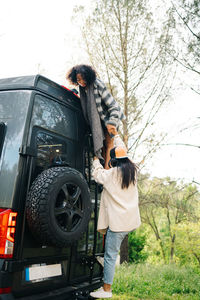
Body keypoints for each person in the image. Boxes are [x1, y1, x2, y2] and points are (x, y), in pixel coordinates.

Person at [90, 130, 141, 299]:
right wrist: (116, 135)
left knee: (111, 256)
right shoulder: (133, 171)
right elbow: (122, 149)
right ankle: (105, 260)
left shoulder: (112, 174)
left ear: (113, 161)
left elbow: (97, 175)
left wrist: (96, 160)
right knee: (111, 251)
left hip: (118, 225)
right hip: (130, 221)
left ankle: (106, 290)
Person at [66, 64, 124, 169]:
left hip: (108, 121)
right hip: (97, 125)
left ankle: (107, 175)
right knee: (102, 149)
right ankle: (102, 175)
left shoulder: (98, 85)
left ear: (88, 76)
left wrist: (112, 123)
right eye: (78, 80)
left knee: (109, 146)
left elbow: (114, 106)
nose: (81, 82)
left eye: (82, 79)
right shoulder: (83, 90)